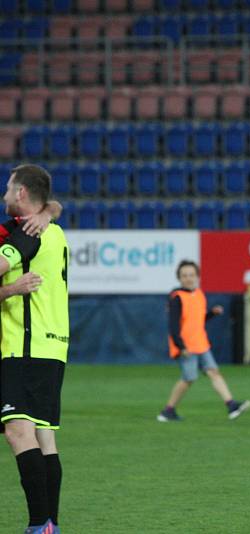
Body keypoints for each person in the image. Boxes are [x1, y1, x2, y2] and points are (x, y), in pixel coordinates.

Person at [0, 164, 70, 534]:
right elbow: (52, 208)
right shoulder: (53, 231)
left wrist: (9, 290)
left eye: (10, 188)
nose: (6, 194)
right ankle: (50, 525)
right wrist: (47, 211)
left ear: (22, 193)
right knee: (44, 436)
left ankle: (37, 524)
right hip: (53, 348)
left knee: (17, 432)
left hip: (22, 348)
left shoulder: (27, 233)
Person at [157, 260, 250, 422]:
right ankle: (168, 411)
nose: (188, 278)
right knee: (189, 378)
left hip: (201, 343)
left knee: (213, 372)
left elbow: (198, 320)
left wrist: (212, 314)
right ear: (179, 278)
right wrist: (181, 346)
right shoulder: (177, 298)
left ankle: (231, 406)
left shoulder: (199, 294)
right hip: (186, 345)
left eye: (191, 275)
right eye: (184, 275)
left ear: (197, 277)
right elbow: (173, 325)